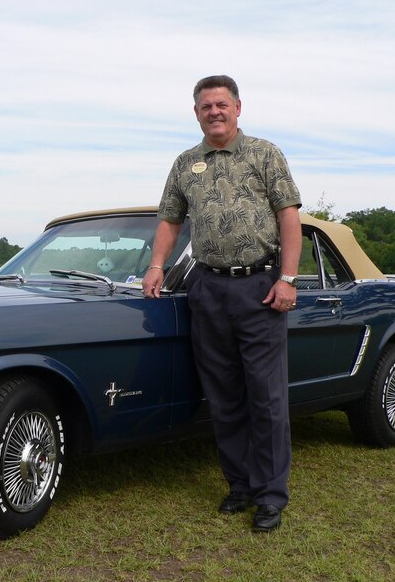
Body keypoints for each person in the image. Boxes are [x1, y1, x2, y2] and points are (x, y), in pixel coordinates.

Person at [142, 75, 302, 532]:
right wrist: (156, 265)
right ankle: (240, 485)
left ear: (237, 108)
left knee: (267, 398)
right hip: (206, 288)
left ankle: (271, 496)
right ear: (196, 113)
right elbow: (170, 220)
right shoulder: (185, 163)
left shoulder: (264, 154)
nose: (214, 111)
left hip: (260, 287)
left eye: (221, 104)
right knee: (224, 395)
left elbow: (288, 217)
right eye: (206, 106)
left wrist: (287, 278)